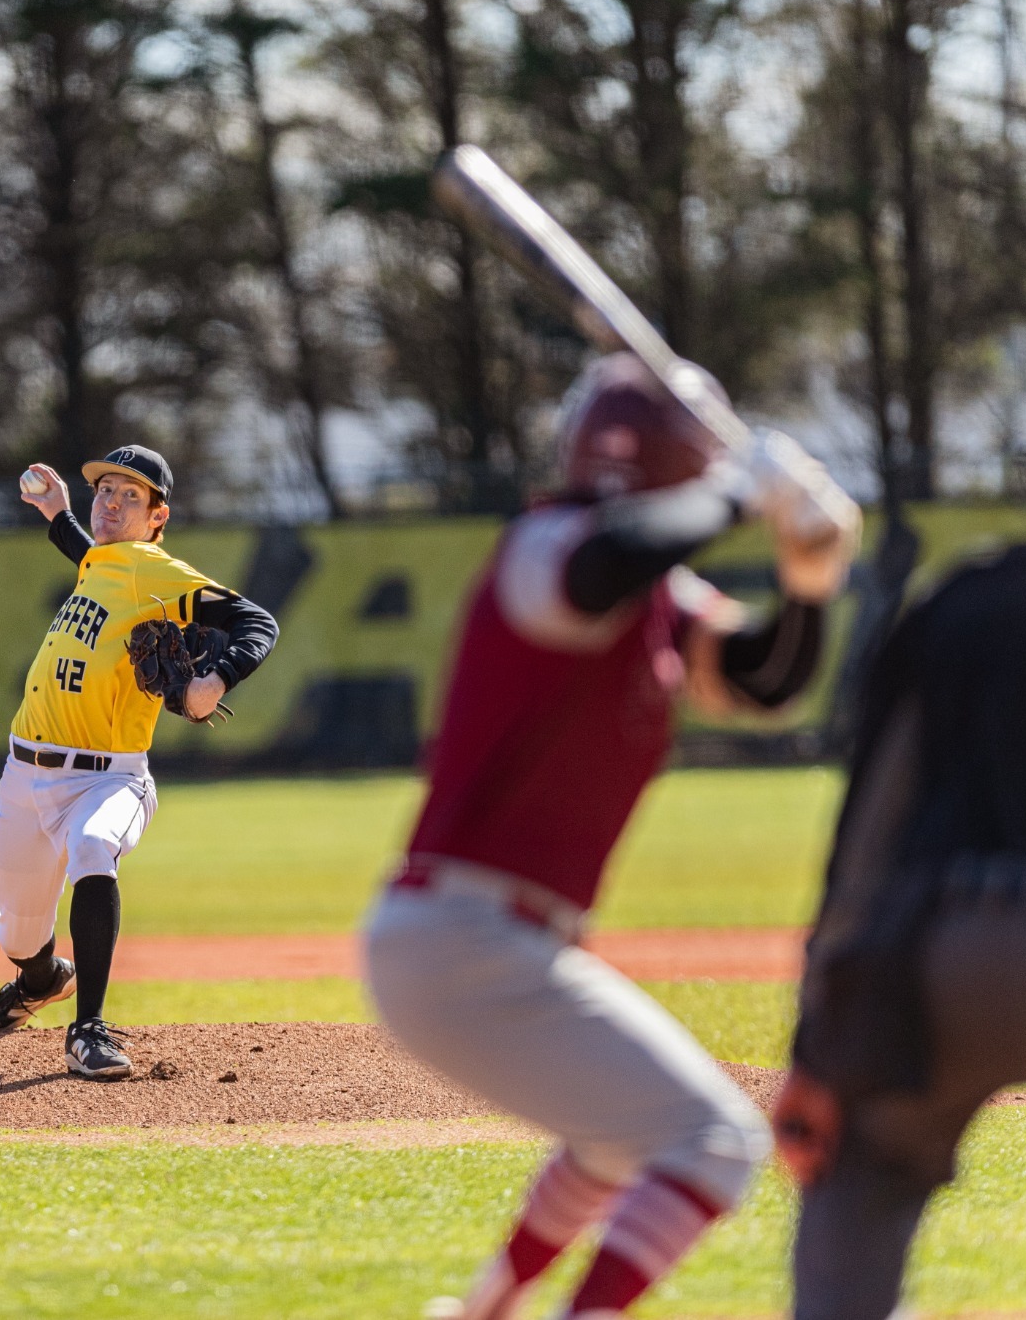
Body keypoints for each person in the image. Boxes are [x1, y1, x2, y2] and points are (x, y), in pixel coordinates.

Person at [364, 352, 861, 1320]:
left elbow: (765, 679)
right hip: (464, 935)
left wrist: (808, 580)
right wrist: (738, 489)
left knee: (619, 1134)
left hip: (488, 939)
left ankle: (484, 1308)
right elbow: (604, 566)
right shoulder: (548, 546)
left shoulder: (657, 596)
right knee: (713, 1141)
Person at [781, 377, 1026, 1318]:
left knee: (864, 1168)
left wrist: (820, 1050)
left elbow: (867, 842)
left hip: (941, 959)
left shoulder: (967, 599)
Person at [0, 445, 278, 1079]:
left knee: (93, 848)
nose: (111, 502)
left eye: (130, 495)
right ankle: (42, 980)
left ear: (158, 517)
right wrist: (58, 514)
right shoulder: (105, 562)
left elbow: (255, 621)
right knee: (18, 938)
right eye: (105, 490)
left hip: (107, 778)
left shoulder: (151, 567)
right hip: (24, 776)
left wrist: (214, 681)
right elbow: (91, 555)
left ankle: (88, 1029)